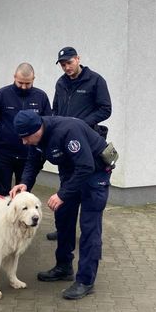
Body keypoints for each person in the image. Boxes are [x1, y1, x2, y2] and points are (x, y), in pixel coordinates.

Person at [10, 109, 115, 300]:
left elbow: (86, 166)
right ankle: (64, 267)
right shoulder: (35, 137)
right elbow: (33, 163)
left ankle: (85, 281)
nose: (24, 142)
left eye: (26, 138)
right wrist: (25, 183)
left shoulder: (68, 131)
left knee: (89, 228)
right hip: (71, 174)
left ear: (38, 129)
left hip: (95, 174)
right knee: (63, 217)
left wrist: (62, 194)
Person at [48, 46, 112, 240]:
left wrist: (82, 124)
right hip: (64, 145)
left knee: (84, 186)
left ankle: (87, 233)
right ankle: (63, 231)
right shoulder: (61, 83)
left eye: (69, 62)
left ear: (78, 59)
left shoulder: (96, 81)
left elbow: (106, 109)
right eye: (62, 64)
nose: (66, 67)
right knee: (66, 187)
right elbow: (56, 109)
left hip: (86, 143)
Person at [0, 63, 51, 196]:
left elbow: (47, 125)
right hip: (4, 153)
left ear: (34, 79)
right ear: (14, 77)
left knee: (22, 194)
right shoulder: (2, 95)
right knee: (1, 193)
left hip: (28, 155)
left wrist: (42, 151)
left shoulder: (41, 97)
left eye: (28, 83)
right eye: (20, 83)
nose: (24, 87)